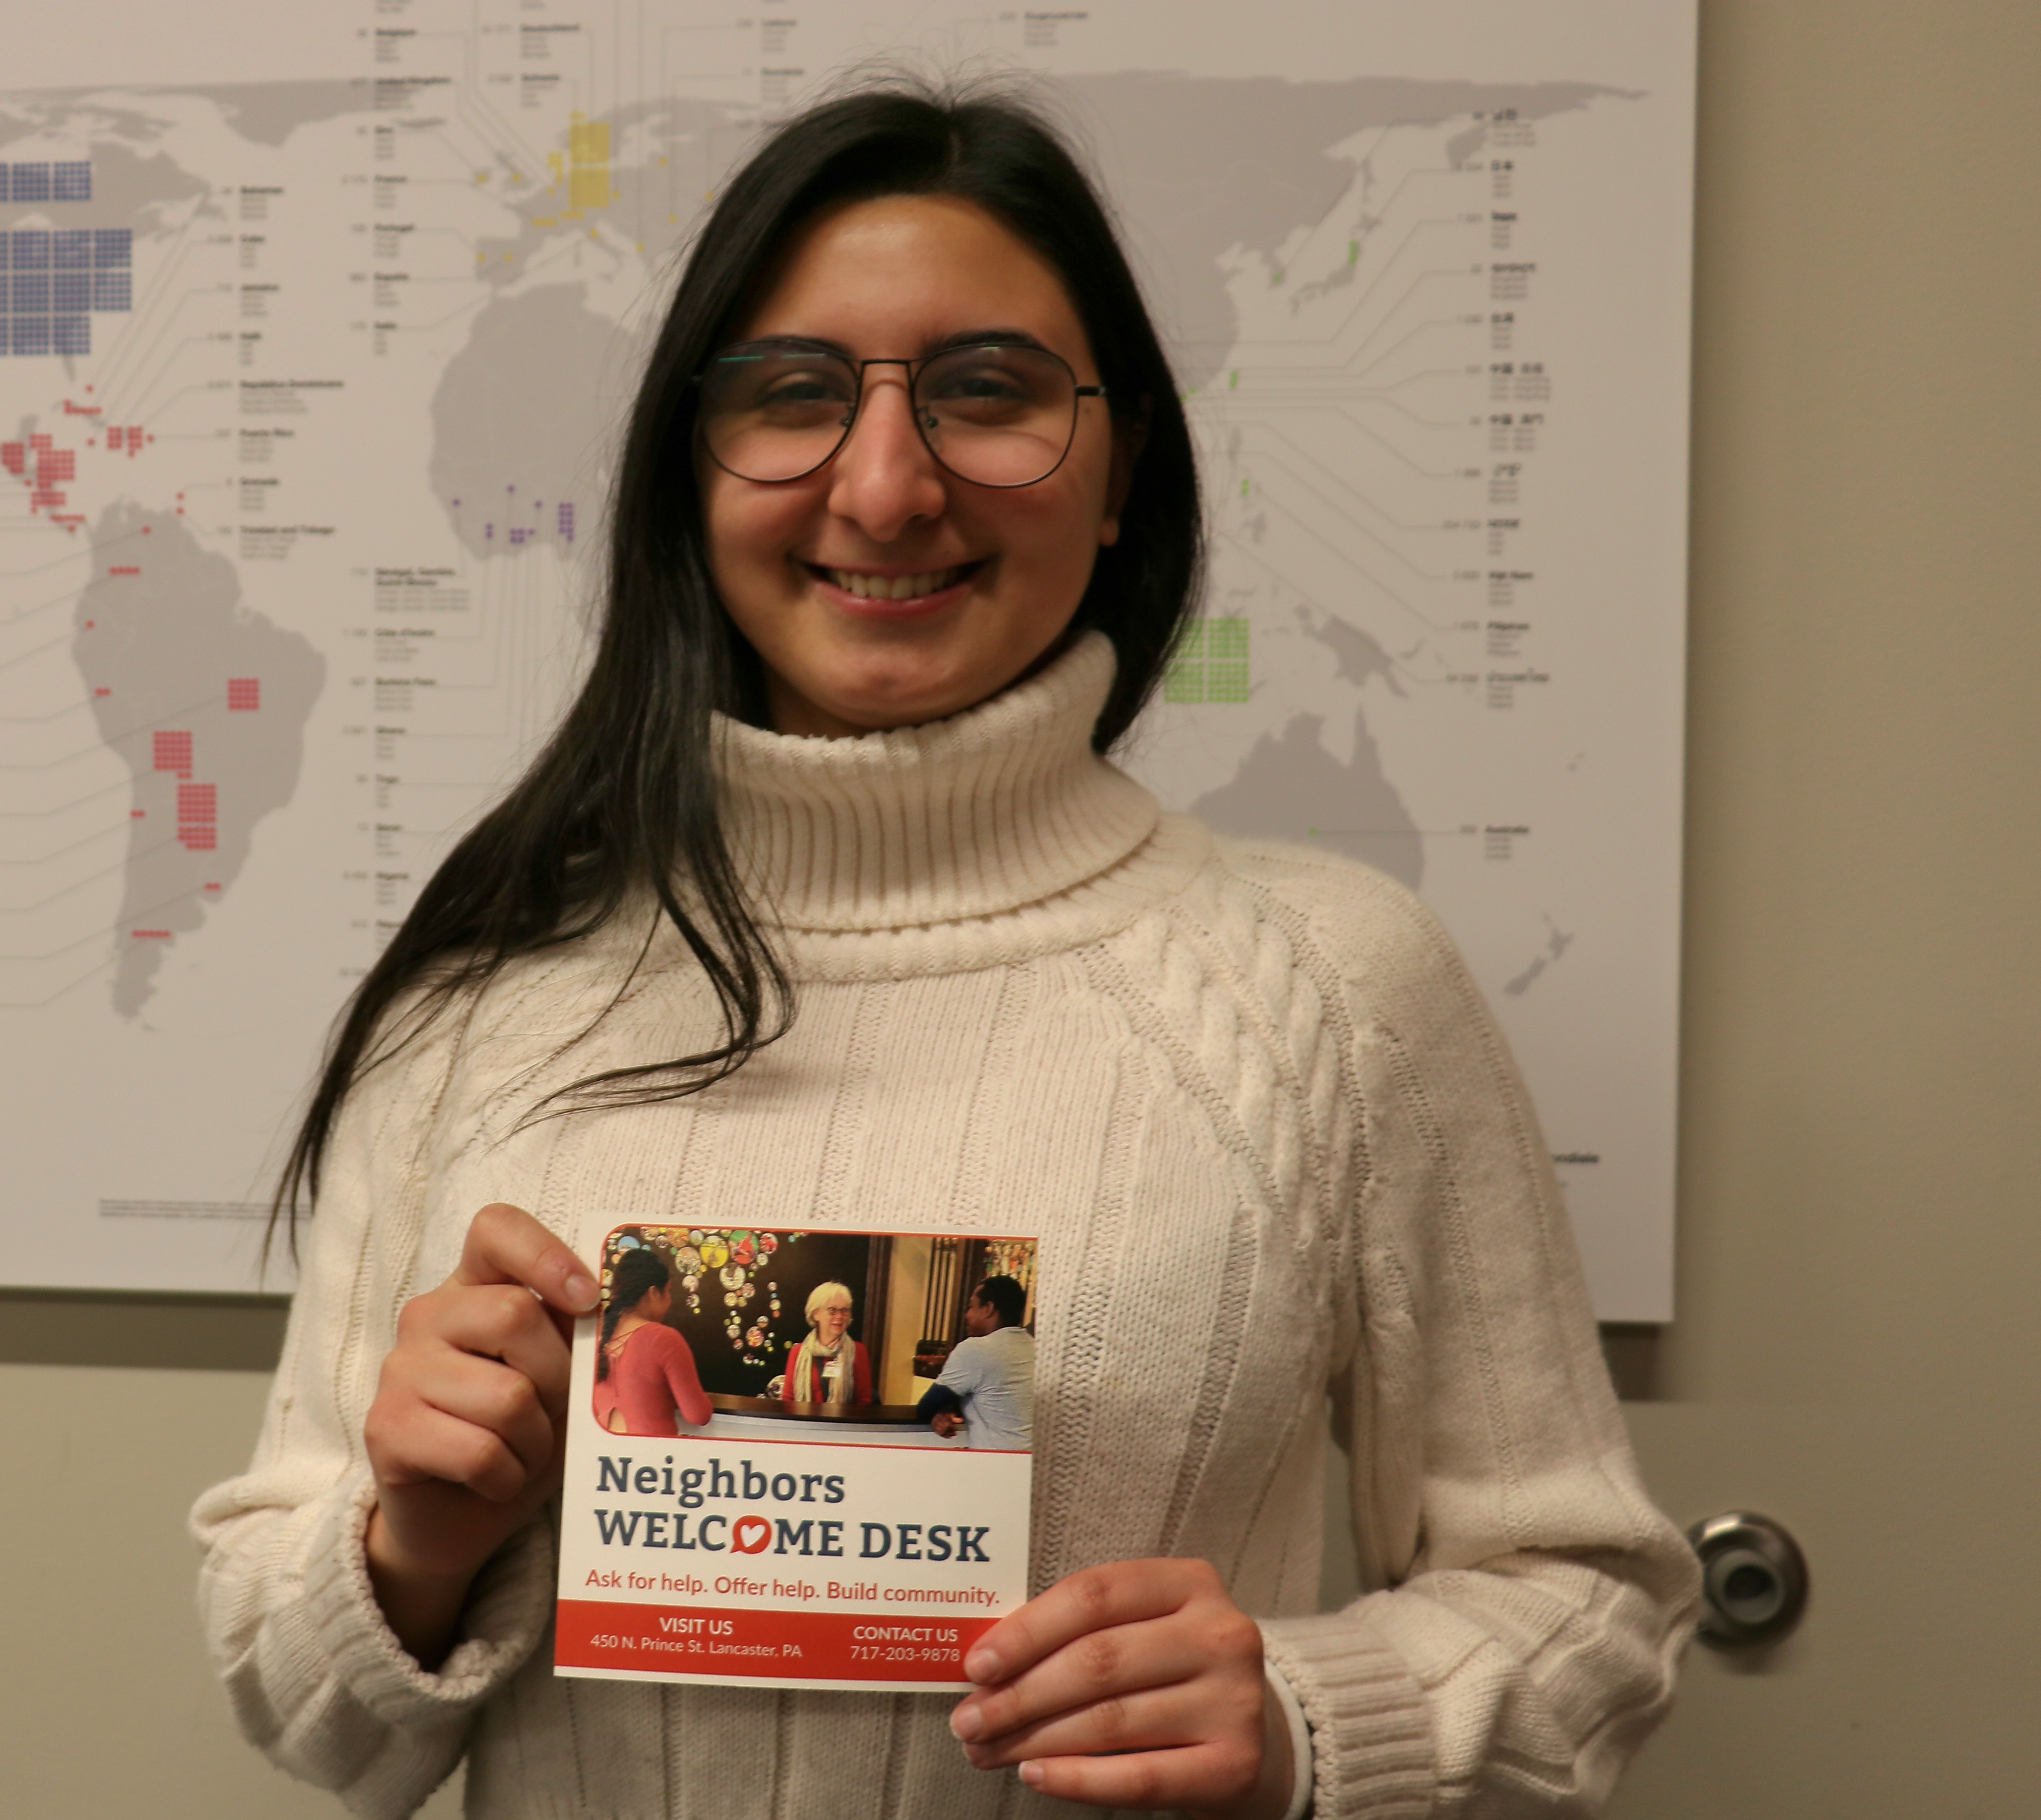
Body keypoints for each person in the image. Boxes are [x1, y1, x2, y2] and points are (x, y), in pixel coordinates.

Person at [191, 77, 1698, 1820]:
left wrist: (1306, 1712)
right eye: (790, 398)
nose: (887, 485)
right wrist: (413, 1544)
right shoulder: (484, 1000)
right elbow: (312, 1719)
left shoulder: (1338, 987)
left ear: (1120, 462)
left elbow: (1591, 1609)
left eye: (985, 392)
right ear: (690, 475)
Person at [587, 1247, 710, 1437]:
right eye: (668, 1292)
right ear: (654, 1293)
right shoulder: (663, 1338)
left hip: (604, 1457)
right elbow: (698, 1415)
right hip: (650, 1462)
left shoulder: (592, 1336)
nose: (670, 1301)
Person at [920, 1275, 1034, 1451]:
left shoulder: (976, 1349)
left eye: (972, 1307)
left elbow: (927, 1406)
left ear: (989, 1309)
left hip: (994, 1464)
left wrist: (940, 1413)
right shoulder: (1034, 1347)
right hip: (1032, 1465)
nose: (967, 1315)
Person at [770, 1279, 870, 1403]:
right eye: (832, 1311)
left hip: (843, 1422)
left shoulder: (858, 1351)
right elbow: (789, 1400)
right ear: (816, 1314)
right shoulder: (798, 1353)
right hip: (805, 1421)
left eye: (845, 1311)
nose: (839, 1317)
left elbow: (864, 1401)